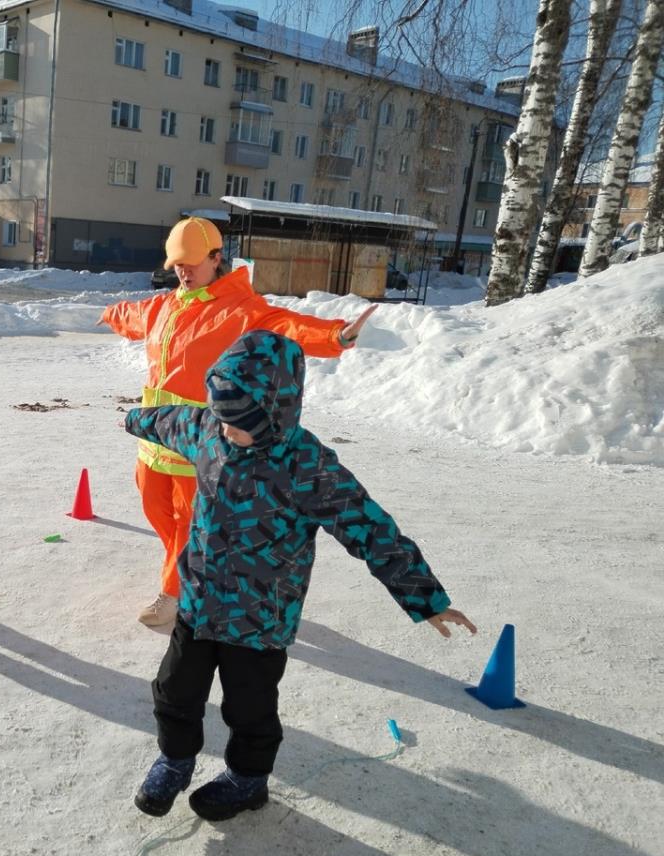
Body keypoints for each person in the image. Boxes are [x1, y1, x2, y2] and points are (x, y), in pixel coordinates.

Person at [122, 330, 476, 822]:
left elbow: (370, 527)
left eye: (241, 424)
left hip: (261, 619)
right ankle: (176, 760)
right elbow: (171, 420)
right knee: (174, 691)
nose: (228, 432)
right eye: (222, 419)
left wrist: (425, 598)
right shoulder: (208, 429)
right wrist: (134, 418)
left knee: (250, 711)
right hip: (199, 603)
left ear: (277, 413)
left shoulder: (307, 466)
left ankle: (247, 781)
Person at [100, 217, 376, 628]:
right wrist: (109, 313)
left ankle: (175, 592)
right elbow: (134, 315)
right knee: (156, 509)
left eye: (192, 263)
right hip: (156, 439)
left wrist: (336, 335)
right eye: (177, 263)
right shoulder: (166, 305)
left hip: (198, 441)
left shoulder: (239, 309)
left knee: (188, 521)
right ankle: (196, 567)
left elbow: (287, 325)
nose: (183, 271)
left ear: (217, 258)